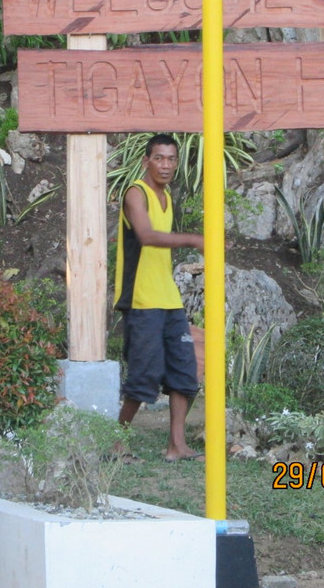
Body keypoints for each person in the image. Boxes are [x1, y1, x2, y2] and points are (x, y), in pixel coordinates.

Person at [113, 133, 206, 463]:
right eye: (159, 158)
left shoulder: (167, 196)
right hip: (141, 300)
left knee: (185, 371)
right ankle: (117, 444)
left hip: (169, 300)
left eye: (171, 159)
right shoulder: (135, 194)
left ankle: (176, 446)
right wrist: (194, 240)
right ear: (146, 161)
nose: (165, 165)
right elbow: (147, 235)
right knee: (144, 375)